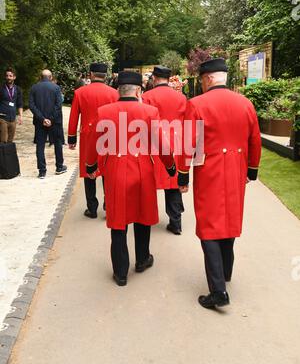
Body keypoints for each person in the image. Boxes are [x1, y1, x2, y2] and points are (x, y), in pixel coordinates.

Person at [178, 58, 261, 309]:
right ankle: (225, 271)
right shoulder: (245, 103)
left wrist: (183, 174)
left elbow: (189, 143)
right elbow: (254, 140)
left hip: (210, 171)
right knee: (229, 219)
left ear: (208, 78)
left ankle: (218, 291)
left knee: (208, 225)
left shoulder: (197, 104)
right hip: (235, 170)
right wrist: (252, 170)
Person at [86, 71, 176, 286]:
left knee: (118, 222)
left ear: (119, 90)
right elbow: (161, 144)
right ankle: (143, 259)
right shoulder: (150, 111)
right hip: (143, 169)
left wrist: (91, 165)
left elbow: (94, 142)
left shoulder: (104, 111)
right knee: (142, 216)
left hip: (115, 169)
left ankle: (120, 272)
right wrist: (171, 166)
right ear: (138, 90)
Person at [68, 62, 118, 218]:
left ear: (90, 74)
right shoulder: (114, 93)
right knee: (108, 171)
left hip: (88, 136)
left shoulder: (80, 92)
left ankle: (92, 208)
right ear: (105, 76)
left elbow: (74, 117)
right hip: (108, 135)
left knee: (89, 170)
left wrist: (71, 138)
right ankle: (108, 205)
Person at [143, 65, 187, 235]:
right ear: (169, 79)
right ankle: (176, 222)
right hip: (175, 143)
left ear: (154, 78)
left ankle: (146, 219)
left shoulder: (147, 96)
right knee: (173, 183)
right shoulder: (180, 98)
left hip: (154, 144)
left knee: (149, 182)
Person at [29, 69, 67, 179]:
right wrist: (50, 119)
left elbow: (32, 105)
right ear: (50, 77)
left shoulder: (34, 88)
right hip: (54, 122)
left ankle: (42, 171)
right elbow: (58, 105)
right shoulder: (56, 88)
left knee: (40, 146)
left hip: (39, 122)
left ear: (40, 77)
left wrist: (42, 119)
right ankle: (59, 167)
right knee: (58, 144)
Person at [0, 69, 23, 143]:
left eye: (10, 76)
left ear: (14, 77)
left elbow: (20, 103)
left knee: (10, 141)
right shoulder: (1, 88)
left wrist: (20, 116)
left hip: (13, 118)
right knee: (3, 140)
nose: (8, 77)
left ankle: (8, 155)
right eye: (7, 76)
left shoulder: (17, 89)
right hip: (2, 118)